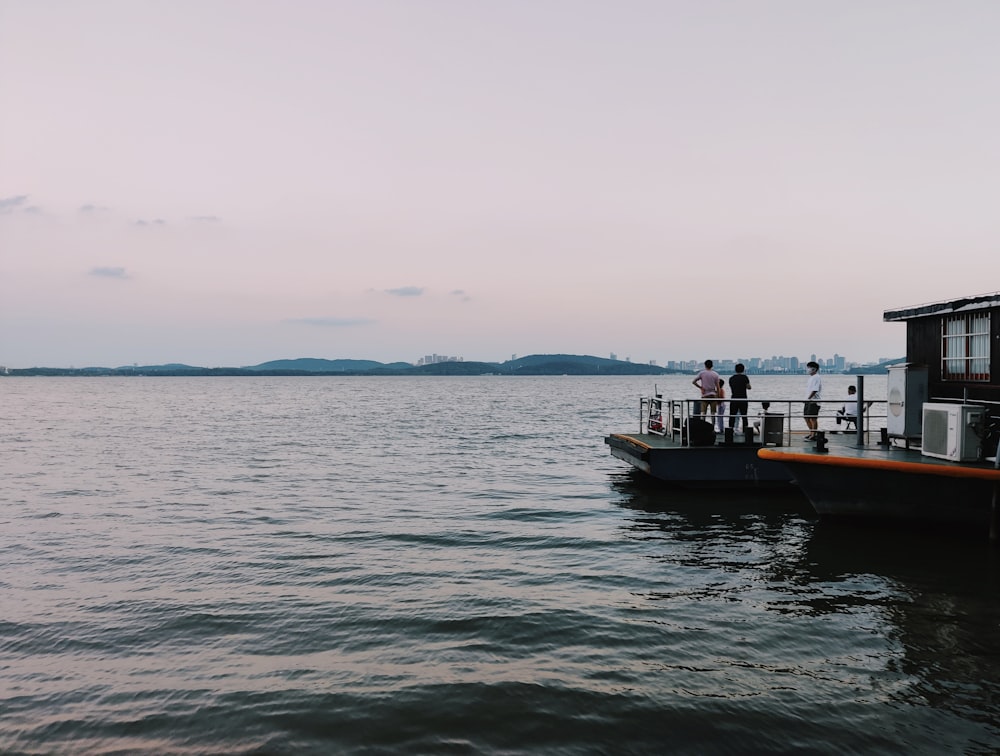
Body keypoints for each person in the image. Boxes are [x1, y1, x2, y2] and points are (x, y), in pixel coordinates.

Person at [728, 363, 751, 432]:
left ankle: (730, 430)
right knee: (744, 416)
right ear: (743, 369)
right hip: (743, 398)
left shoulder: (731, 378)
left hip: (734, 398)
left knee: (732, 415)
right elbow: (749, 387)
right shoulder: (745, 377)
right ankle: (745, 431)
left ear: (735, 370)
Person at [803, 361, 822, 440]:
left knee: (813, 418)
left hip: (814, 401)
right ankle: (811, 432)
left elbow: (815, 390)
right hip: (808, 401)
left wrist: (809, 398)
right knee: (806, 417)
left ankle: (814, 434)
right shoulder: (811, 378)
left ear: (814, 369)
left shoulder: (817, 377)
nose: (808, 369)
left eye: (809, 368)